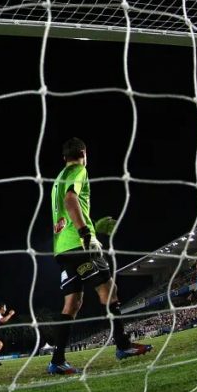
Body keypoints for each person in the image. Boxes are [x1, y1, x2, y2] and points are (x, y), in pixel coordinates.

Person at [47, 137, 152, 376]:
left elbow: (66, 207)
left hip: (62, 250)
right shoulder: (79, 169)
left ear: (64, 157)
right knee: (109, 291)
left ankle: (57, 360)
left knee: (72, 303)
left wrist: (92, 224)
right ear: (84, 153)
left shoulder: (57, 178)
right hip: (79, 245)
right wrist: (86, 233)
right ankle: (123, 346)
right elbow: (71, 200)